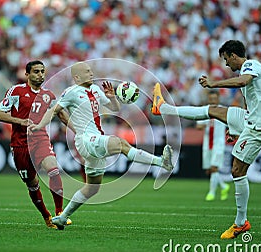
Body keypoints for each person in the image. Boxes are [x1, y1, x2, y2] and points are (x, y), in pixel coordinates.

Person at [152, 40, 261, 239]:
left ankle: (240, 223)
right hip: (251, 119)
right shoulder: (245, 71)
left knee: (237, 170)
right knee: (213, 111)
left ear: (234, 55)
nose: (226, 64)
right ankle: (164, 109)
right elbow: (249, 99)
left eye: (227, 59)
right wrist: (235, 128)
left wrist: (214, 84)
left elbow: (242, 82)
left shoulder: (251, 66)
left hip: (260, 125)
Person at [28, 61, 174, 229]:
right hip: (85, 139)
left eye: (91, 71)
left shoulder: (96, 89)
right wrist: (39, 125)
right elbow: (53, 111)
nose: (91, 73)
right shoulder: (71, 92)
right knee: (121, 144)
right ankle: (161, 162)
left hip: (95, 138)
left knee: (92, 188)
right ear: (77, 77)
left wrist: (112, 97)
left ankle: (63, 217)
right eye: (87, 71)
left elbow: (114, 108)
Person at [0, 60, 72, 229]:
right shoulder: (16, 91)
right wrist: (20, 121)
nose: (40, 75)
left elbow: (61, 114)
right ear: (27, 74)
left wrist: (78, 129)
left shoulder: (49, 96)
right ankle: (47, 216)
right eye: (36, 72)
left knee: (53, 169)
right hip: (20, 144)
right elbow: (0, 114)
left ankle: (60, 213)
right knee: (32, 184)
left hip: (40, 140)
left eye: (42, 71)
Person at [196, 90, 230, 201]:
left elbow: (230, 123)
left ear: (218, 99)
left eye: (215, 99)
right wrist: (204, 124)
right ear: (208, 99)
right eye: (211, 99)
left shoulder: (223, 110)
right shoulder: (205, 110)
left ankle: (211, 193)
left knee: (214, 168)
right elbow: (199, 126)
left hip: (218, 143)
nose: (213, 101)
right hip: (207, 144)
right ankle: (224, 186)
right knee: (209, 170)